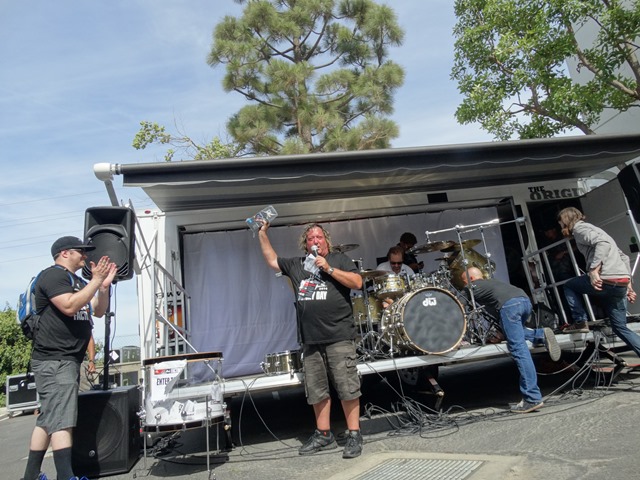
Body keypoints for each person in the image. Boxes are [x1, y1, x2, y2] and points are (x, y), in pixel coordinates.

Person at [258, 223, 365, 458]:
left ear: (326, 241)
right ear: (305, 244)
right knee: (317, 390)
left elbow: (357, 283)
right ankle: (324, 434)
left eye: (319, 237)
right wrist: (262, 233)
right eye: (310, 238)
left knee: (347, 387)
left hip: (339, 336)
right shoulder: (297, 264)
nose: (315, 241)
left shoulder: (339, 259)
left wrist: (329, 269)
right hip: (310, 339)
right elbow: (272, 259)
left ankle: (354, 434)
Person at [22, 236, 117, 480]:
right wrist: (95, 280)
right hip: (55, 359)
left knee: (48, 418)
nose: (85, 255)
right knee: (62, 419)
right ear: (64, 253)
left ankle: (31, 475)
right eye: (80, 251)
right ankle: (66, 476)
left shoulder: (78, 281)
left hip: (67, 359)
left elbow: (98, 311)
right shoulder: (53, 276)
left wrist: (102, 287)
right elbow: (69, 306)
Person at [461, 267, 561, 413]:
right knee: (515, 334)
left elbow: (456, 305)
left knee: (519, 349)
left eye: (464, 281)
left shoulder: (471, 286)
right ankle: (540, 335)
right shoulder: (493, 282)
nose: (464, 285)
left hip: (509, 306)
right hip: (524, 300)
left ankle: (532, 398)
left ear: (471, 279)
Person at [557, 208, 640, 355]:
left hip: (606, 278)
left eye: (560, 223)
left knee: (569, 286)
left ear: (565, 220)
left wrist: (594, 269)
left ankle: (580, 321)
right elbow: (624, 257)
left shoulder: (579, 229)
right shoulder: (597, 230)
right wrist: (628, 285)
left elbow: (602, 243)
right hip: (620, 282)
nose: (560, 227)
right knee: (620, 327)